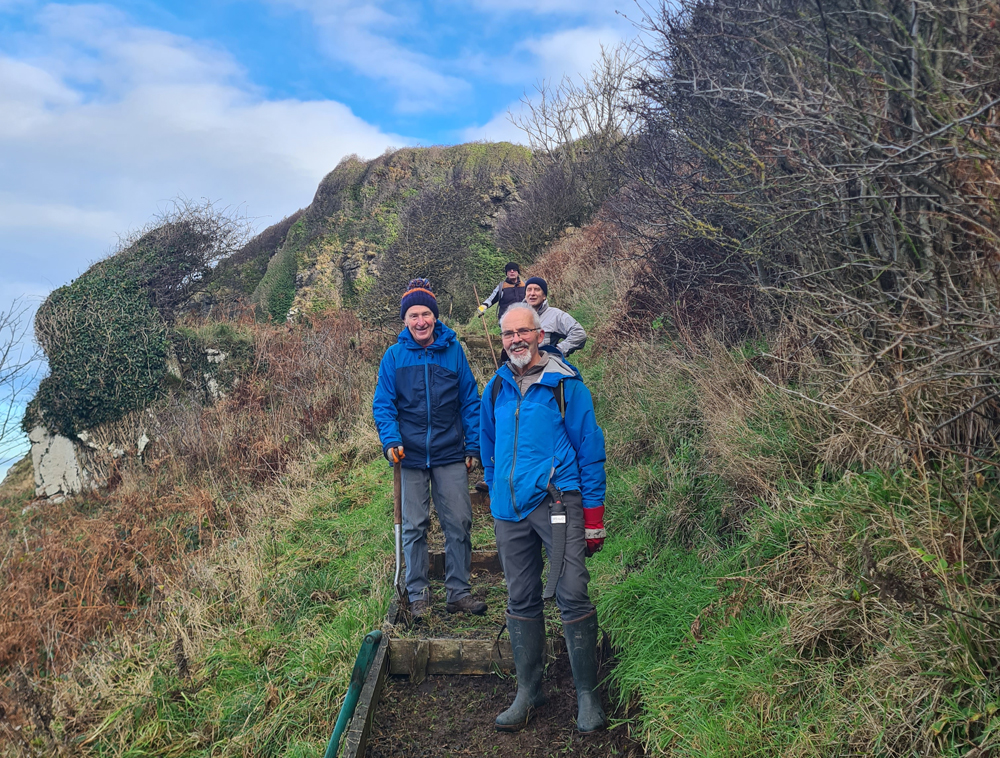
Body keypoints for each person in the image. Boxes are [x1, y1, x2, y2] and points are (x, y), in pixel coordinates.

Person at [480, 302, 608, 733]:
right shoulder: (495, 388)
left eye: (523, 331)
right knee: (519, 596)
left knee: (572, 590)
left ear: (540, 335)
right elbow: (489, 447)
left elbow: (590, 451)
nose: (515, 339)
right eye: (507, 334)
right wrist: (497, 487)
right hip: (509, 511)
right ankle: (528, 691)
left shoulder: (565, 385)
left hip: (558, 502)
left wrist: (593, 515)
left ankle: (587, 694)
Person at [372, 278, 487, 619]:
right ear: (405, 321)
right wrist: (391, 440)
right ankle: (418, 593)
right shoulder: (393, 357)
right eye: (413, 315)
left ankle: (458, 592)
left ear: (435, 317)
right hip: (409, 456)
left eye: (426, 314)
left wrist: (474, 444)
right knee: (414, 526)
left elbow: (470, 400)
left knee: (460, 522)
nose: (420, 321)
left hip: (450, 451)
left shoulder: (454, 352)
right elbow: (384, 404)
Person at [523, 277, 587, 357]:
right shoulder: (517, 316)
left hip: (545, 367)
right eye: (529, 289)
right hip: (521, 366)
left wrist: (557, 352)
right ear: (525, 295)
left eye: (537, 289)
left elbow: (579, 333)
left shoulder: (556, 315)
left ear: (544, 296)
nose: (532, 293)